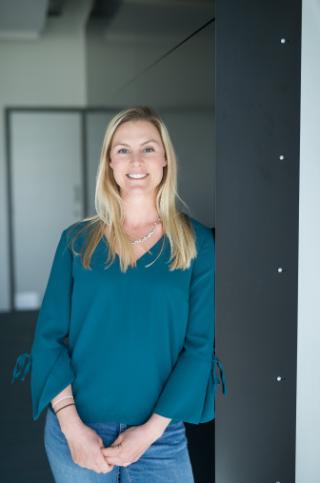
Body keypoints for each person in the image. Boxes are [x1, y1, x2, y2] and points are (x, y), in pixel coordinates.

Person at [11, 105, 227, 482]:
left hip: (160, 435)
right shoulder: (77, 241)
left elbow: (199, 348)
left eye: (148, 148)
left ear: (164, 160)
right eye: (122, 149)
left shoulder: (196, 245)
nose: (136, 160)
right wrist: (72, 428)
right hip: (77, 430)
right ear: (109, 163)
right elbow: (48, 338)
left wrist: (149, 432)